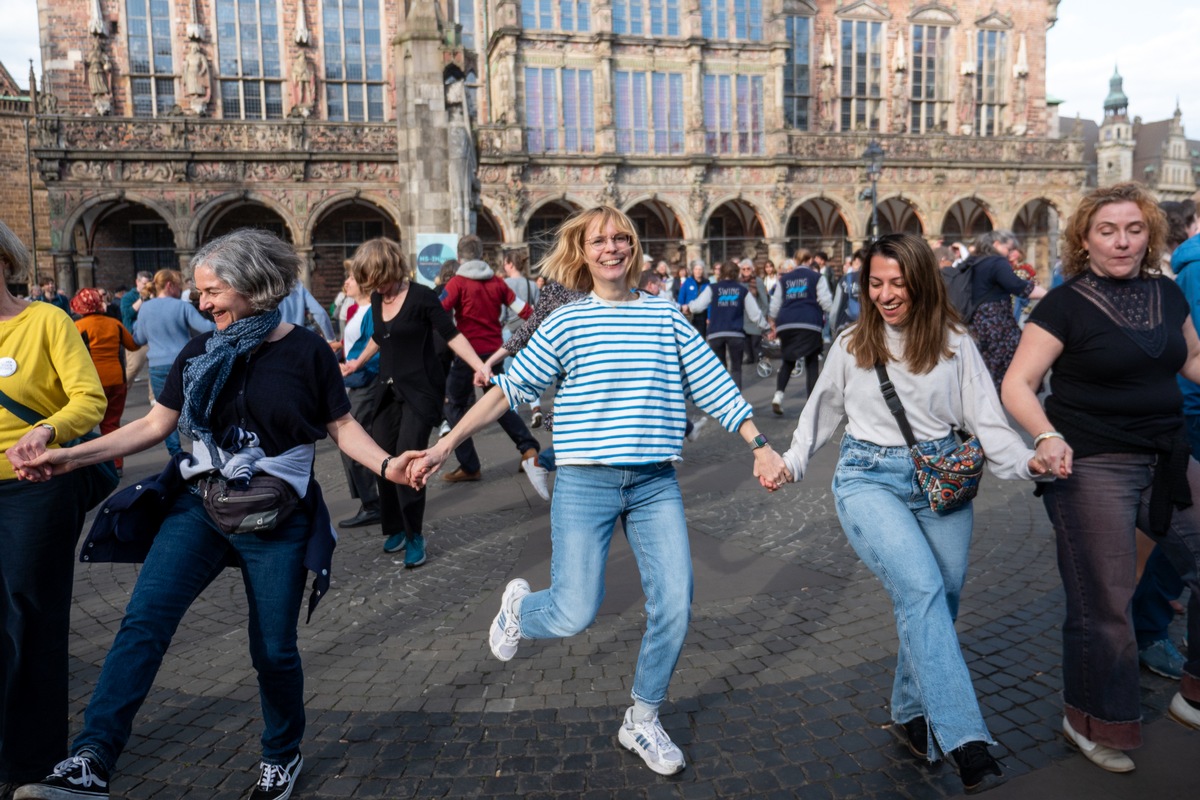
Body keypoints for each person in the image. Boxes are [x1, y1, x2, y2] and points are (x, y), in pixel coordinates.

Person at [12, 228, 411, 800]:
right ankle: (92, 760)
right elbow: (155, 426)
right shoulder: (203, 351)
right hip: (198, 506)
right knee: (142, 624)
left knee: (271, 649)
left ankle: (281, 756)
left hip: (276, 517)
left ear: (255, 284)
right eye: (199, 293)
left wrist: (390, 465)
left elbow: (342, 428)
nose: (202, 304)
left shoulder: (305, 353)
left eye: (213, 292)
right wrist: (68, 457)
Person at [403, 206, 784, 776]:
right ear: (582, 253)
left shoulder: (666, 317)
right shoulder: (567, 322)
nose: (612, 247)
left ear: (633, 247)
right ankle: (519, 611)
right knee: (574, 611)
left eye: (621, 238)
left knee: (675, 604)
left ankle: (643, 720)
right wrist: (442, 445)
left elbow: (711, 382)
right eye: (599, 240)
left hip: (654, 482)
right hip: (585, 480)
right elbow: (507, 392)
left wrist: (759, 443)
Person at [767, 233, 1047, 793]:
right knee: (920, 591)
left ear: (922, 281)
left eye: (898, 283)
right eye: (875, 283)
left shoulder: (955, 341)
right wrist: (790, 463)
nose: (887, 294)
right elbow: (819, 415)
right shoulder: (851, 343)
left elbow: (988, 421)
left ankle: (908, 710)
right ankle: (966, 740)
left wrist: (1030, 461)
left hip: (943, 481)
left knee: (941, 598)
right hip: (868, 479)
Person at [1001, 182, 1200, 774]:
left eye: (1134, 229)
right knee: (1104, 601)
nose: (1122, 241)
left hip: (1167, 455)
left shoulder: (1167, 294)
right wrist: (1046, 435)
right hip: (1090, 464)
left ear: (1151, 234)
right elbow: (1018, 384)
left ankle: (1193, 697)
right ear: (1084, 239)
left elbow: (1190, 359)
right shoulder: (1064, 305)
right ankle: (1090, 719)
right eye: (1108, 230)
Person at [0, 222, 106, 793]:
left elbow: (88, 399)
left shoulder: (46, 320)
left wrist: (46, 430)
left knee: (31, 622)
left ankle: (30, 765)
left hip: (33, 489)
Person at [340, 238, 490, 564]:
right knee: (382, 458)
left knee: (410, 463)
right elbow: (380, 337)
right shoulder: (380, 298)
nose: (375, 286)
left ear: (390, 267)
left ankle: (414, 534)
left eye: (378, 277)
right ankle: (393, 526)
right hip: (387, 391)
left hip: (421, 392)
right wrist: (357, 362)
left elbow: (451, 335)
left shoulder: (422, 297)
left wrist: (480, 365)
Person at [438, 235, 539, 485]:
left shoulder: (457, 283)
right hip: (493, 352)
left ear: (460, 257)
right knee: (498, 402)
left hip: (468, 354)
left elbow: (437, 312)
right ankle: (528, 447)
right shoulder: (497, 282)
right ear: (482, 255)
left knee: (453, 405)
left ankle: (470, 465)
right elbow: (525, 311)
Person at [133, 269, 215, 456]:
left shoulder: (145, 308)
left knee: (163, 414)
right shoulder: (182, 307)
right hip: (184, 363)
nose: (180, 290)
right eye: (178, 286)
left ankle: (176, 454)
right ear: (170, 285)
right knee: (196, 406)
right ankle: (205, 449)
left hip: (157, 366)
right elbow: (206, 328)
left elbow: (138, 338)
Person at [956, 230, 1046, 392]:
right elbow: (1018, 286)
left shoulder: (974, 261)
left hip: (977, 321)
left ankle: (988, 399)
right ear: (997, 244)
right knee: (1019, 361)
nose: (1010, 253)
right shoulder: (997, 262)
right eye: (1009, 248)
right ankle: (1016, 396)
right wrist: (1048, 294)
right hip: (996, 321)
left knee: (987, 366)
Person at [71, 287, 140, 473]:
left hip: (91, 383)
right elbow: (133, 346)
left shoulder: (78, 327)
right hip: (117, 380)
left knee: (83, 425)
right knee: (111, 424)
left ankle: (86, 465)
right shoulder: (114, 324)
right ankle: (117, 465)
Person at [333, 269, 382, 531]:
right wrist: (338, 348)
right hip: (354, 380)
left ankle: (373, 503)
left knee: (354, 443)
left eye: (350, 278)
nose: (346, 282)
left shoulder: (370, 311)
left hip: (366, 380)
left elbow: (373, 350)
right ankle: (371, 501)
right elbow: (355, 343)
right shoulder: (355, 310)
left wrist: (353, 365)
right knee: (353, 442)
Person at [768, 249, 831, 416]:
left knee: (788, 361)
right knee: (811, 363)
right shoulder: (816, 277)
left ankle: (778, 396)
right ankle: (811, 404)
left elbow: (775, 304)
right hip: (809, 323)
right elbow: (825, 301)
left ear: (795, 260)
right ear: (809, 260)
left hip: (787, 323)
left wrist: (772, 321)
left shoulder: (785, 279)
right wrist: (832, 314)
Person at [689, 260, 768, 389]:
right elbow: (755, 314)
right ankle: (736, 401)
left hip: (716, 333)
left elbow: (697, 307)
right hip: (735, 333)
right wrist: (766, 328)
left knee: (720, 369)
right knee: (736, 369)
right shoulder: (742, 290)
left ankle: (722, 399)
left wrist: (689, 306)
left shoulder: (713, 288)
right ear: (736, 273)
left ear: (721, 273)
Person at [499, 252, 543, 427]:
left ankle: (514, 413)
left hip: (509, 331)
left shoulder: (504, 284)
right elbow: (538, 310)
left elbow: (501, 312)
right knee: (530, 372)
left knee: (511, 375)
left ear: (510, 264)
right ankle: (536, 408)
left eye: (505, 263)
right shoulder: (531, 284)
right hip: (529, 331)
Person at [121, 271, 154, 388]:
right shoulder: (128, 297)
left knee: (154, 369)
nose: (147, 287)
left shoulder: (153, 296)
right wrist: (142, 299)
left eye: (149, 284)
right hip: (135, 338)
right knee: (133, 367)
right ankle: (122, 391)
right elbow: (128, 314)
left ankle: (154, 398)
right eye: (144, 284)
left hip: (152, 337)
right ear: (137, 282)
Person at [739, 259, 771, 365]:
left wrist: (763, 314)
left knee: (756, 343)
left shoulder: (758, 281)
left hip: (756, 317)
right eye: (744, 269)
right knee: (746, 342)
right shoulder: (739, 282)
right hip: (743, 317)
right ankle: (750, 358)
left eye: (748, 268)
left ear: (752, 269)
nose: (746, 270)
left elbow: (764, 300)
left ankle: (760, 362)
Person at [677, 259, 710, 336]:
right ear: (693, 271)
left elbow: (709, 302)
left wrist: (709, 316)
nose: (698, 271)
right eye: (696, 269)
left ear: (703, 271)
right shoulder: (687, 282)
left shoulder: (707, 283)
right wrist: (681, 309)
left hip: (702, 314)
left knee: (701, 336)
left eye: (700, 269)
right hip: (689, 313)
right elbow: (681, 296)